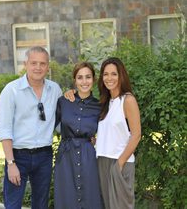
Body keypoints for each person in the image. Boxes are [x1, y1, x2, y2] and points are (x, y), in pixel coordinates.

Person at [0, 46, 62, 209]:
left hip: (45, 155)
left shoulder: (55, 90)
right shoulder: (11, 90)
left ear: (48, 66)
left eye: (42, 63)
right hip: (18, 156)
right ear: (25, 64)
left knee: (41, 204)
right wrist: (11, 163)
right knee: (13, 205)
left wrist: (83, 134)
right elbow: (4, 130)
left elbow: (61, 123)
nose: (38, 67)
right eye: (34, 63)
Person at [54, 62, 103, 209]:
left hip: (88, 155)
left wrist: (96, 140)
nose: (84, 81)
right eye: (80, 77)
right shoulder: (63, 101)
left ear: (93, 80)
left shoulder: (99, 105)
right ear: (75, 80)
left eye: (88, 77)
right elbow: (49, 126)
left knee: (90, 196)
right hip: (66, 155)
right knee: (66, 198)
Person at [96, 57, 141, 209]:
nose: (109, 78)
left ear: (121, 76)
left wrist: (119, 164)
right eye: (105, 74)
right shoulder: (105, 102)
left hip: (119, 161)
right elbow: (110, 134)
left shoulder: (128, 100)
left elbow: (136, 135)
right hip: (102, 161)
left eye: (114, 74)